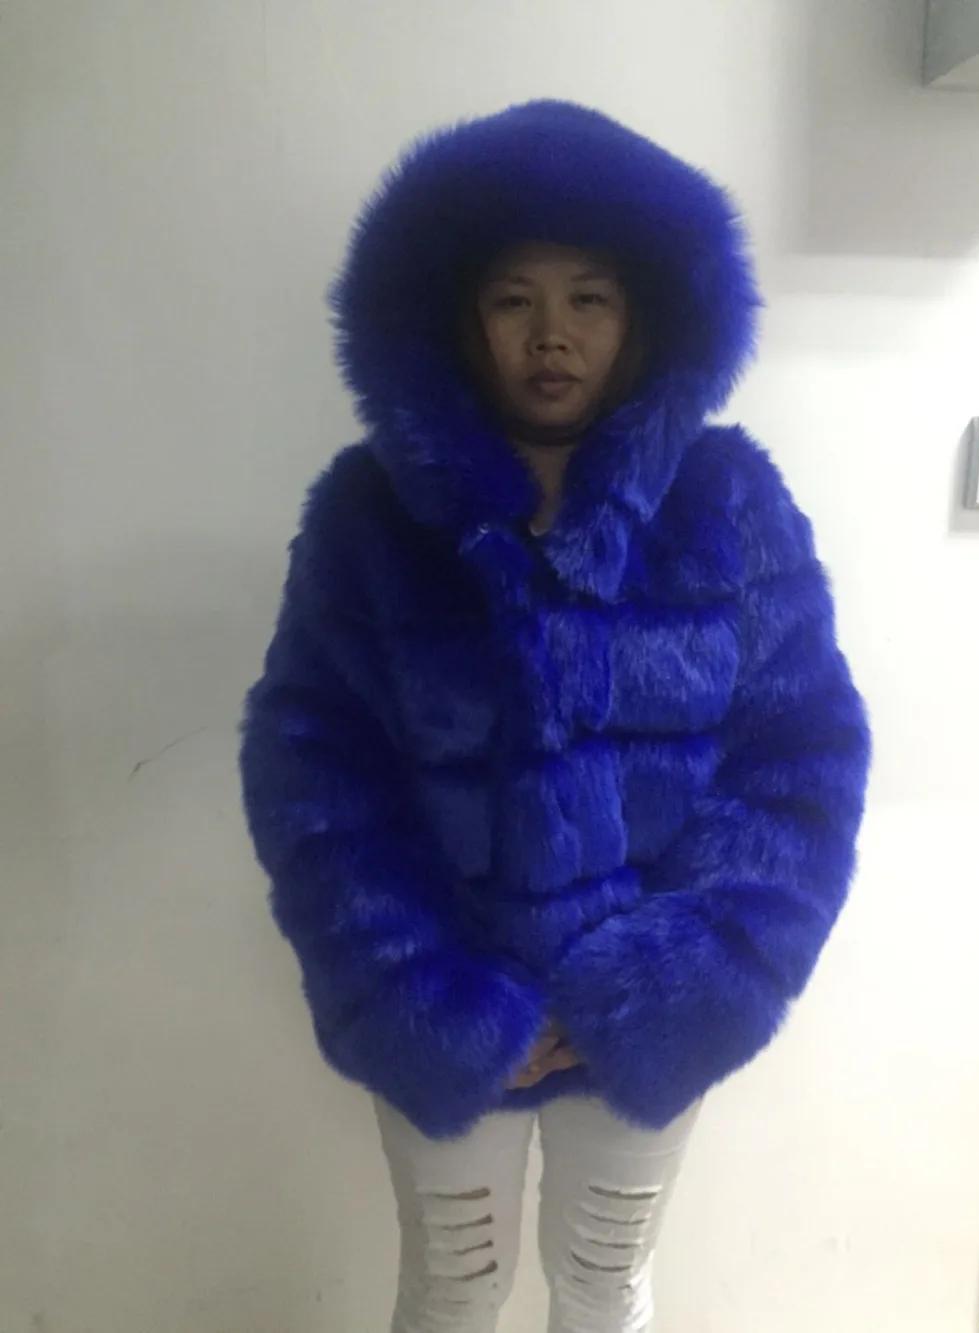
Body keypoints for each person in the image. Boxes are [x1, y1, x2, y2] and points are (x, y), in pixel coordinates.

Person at [239, 100, 871, 1333]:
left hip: (639, 1017)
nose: (551, 334)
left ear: (646, 317)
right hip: (454, 1008)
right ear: (455, 317)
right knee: (453, 1287)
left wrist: (670, 980)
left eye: (590, 297)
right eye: (511, 298)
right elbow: (314, 772)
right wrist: (426, 990)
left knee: (604, 1285)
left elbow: (797, 764)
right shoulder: (372, 519)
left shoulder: (728, 504)